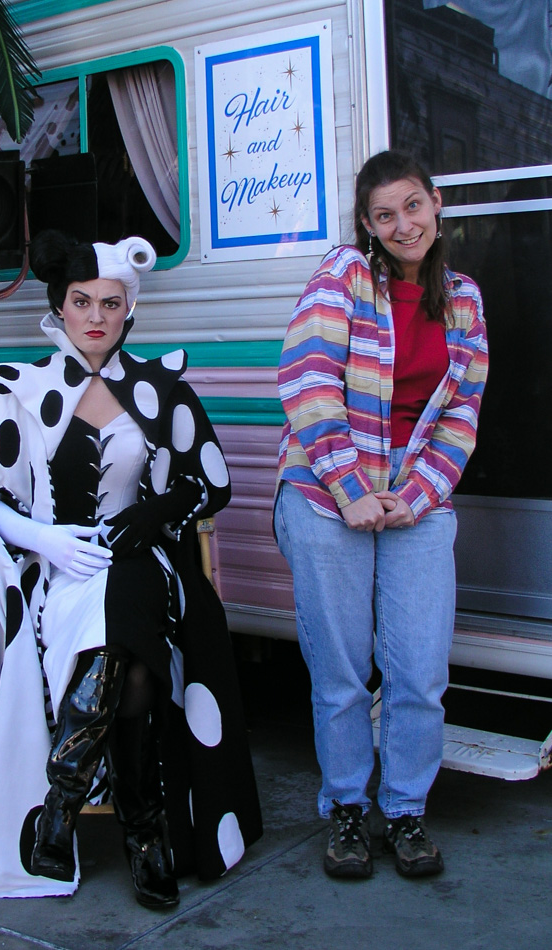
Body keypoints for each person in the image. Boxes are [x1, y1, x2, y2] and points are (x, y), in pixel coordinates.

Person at [0, 230, 262, 905]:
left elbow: (211, 481)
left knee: (129, 593)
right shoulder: (21, 390)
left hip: (138, 561)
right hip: (57, 576)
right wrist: (44, 538)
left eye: (110, 303)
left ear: (129, 310)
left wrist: (149, 515)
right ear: (59, 307)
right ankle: (143, 830)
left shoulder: (159, 388)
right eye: (81, 301)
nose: (95, 316)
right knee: (136, 665)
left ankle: (59, 809)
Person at [274, 150, 488, 880]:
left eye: (414, 206)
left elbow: (462, 415)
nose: (405, 224)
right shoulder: (344, 276)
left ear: (436, 204)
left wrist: (418, 494)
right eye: (385, 214)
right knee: (341, 668)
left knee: (419, 669)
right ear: (366, 224)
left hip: (411, 499)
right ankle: (345, 810)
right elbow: (306, 380)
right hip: (324, 493)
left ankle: (404, 811)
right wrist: (349, 487)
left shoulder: (463, 299)